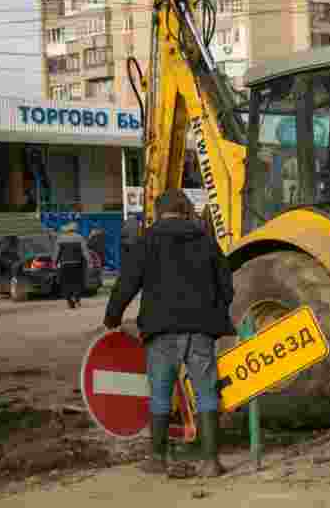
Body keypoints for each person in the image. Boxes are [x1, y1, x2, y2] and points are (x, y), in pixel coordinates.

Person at [104, 188, 236, 478]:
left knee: (161, 394)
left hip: (160, 330)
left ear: (158, 211)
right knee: (206, 393)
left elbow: (126, 284)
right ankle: (211, 462)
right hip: (200, 330)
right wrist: (214, 311)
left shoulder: (146, 240)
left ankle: (157, 459)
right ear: (186, 209)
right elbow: (227, 288)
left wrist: (112, 318)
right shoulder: (206, 241)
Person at [55, 222, 88, 309]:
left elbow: (57, 253)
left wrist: (54, 262)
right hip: (77, 263)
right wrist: (89, 261)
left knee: (66, 283)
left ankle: (69, 301)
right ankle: (77, 299)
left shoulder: (60, 238)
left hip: (64, 264)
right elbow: (85, 251)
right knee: (77, 282)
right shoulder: (80, 238)